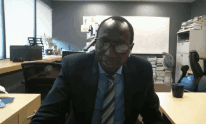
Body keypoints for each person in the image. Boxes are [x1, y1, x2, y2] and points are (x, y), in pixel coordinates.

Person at [29, 16, 163, 124]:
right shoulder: (74, 66)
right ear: (95, 42)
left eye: (120, 46)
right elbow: (49, 113)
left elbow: (153, 117)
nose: (110, 53)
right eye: (103, 42)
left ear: (130, 49)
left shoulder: (142, 70)